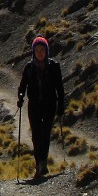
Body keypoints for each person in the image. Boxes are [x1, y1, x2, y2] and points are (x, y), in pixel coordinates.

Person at [17, 36, 64, 178]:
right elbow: (22, 86)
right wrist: (20, 97)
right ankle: (39, 163)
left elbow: (60, 88)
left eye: (42, 50)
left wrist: (61, 104)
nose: (39, 53)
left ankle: (42, 163)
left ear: (46, 50)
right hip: (34, 106)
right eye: (37, 50)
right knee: (36, 135)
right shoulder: (29, 67)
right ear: (33, 51)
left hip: (50, 104)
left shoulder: (54, 66)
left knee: (45, 133)